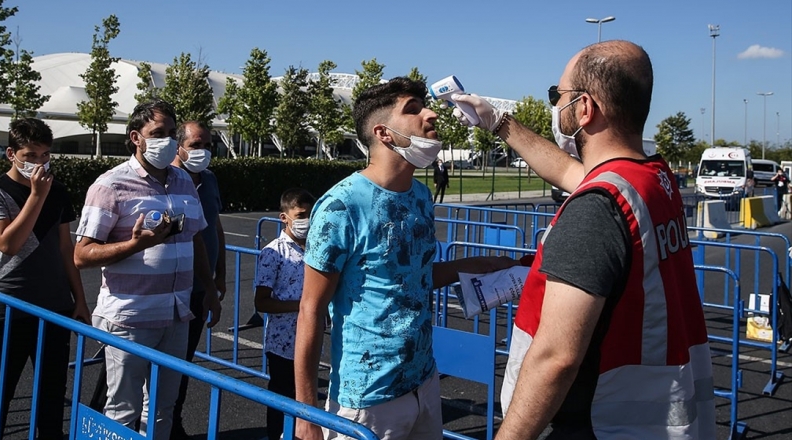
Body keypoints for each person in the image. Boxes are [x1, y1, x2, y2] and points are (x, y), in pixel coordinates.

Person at [451, 40, 716, 439]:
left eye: (556, 95)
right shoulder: (651, 178)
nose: (555, 104)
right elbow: (568, 173)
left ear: (585, 108)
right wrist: (499, 123)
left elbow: (556, 358)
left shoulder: (596, 208)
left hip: (600, 424)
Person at [294, 77, 518, 440]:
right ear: (383, 133)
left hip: (424, 382)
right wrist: (306, 414)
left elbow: (414, 276)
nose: (431, 115)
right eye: (413, 109)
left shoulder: (421, 196)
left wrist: (484, 266)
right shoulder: (341, 206)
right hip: (367, 399)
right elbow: (310, 309)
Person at [74, 100, 222, 439]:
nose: (166, 141)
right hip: (130, 318)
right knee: (123, 409)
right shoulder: (110, 185)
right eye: (157, 134)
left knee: (162, 407)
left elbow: (196, 238)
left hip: (176, 314)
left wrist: (210, 289)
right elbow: (82, 255)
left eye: (171, 133)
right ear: (135, 138)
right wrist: (135, 245)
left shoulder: (183, 181)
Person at [0, 118, 90, 439]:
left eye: (45, 155)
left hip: (54, 306)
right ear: (12, 154)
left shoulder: (57, 191)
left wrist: (79, 299)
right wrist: (37, 195)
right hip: (9, 306)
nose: (39, 163)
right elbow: (8, 243)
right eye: (30, 155)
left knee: (52, 394)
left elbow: (66, 248)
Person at [169, 121, 227, 439]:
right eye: (195, 145)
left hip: (200, 288)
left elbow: (214, 226)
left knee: (184, 361)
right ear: (178, 146)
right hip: (170, 287)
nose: (203, 152)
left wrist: (220, 276)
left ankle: (172, 421)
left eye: (207, 146)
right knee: (155, 363)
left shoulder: (210, 179)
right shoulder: (166, 180)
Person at [254, 187, 315, 440]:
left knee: (305, 396)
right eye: (300, 215)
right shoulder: (274, 252)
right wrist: (302, 306)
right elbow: (262, 302)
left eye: (310, 215)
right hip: (282, 343)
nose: (306, 221)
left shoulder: (315, 248)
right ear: (284, 217)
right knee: (281, 396)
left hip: (309, 337)